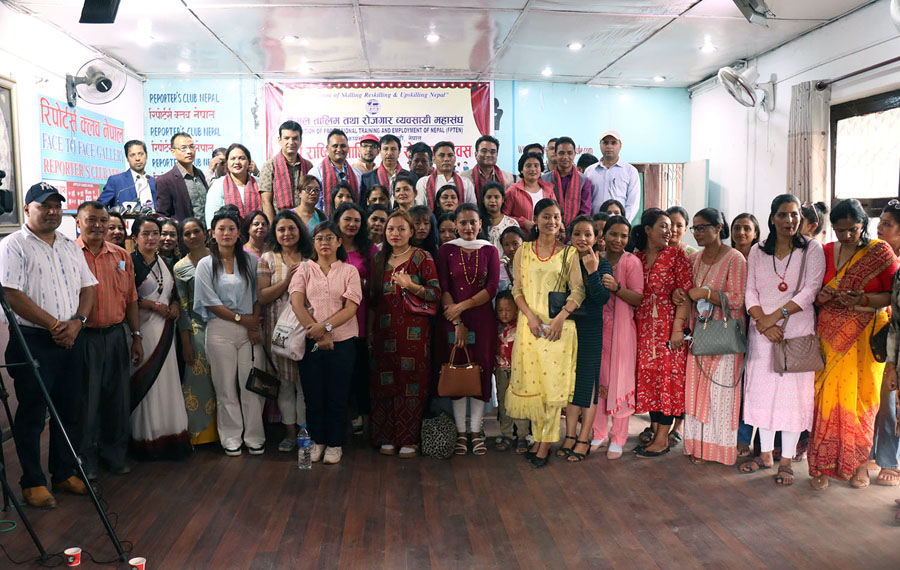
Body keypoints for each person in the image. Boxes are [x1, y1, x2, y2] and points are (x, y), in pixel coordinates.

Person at [0, 183, 97, 508]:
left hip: (71, 337)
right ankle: (33, 482)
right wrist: (55, 325)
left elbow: (88, 287)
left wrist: (77, 322)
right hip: (33, 341)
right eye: (45, 206)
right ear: (28, 209)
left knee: (70, 410)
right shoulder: (13, 245)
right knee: (31, 414)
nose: (53, 211)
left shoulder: (70, 245)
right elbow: (11, 294)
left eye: (57, 206)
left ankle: (63, 473)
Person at [808, 199, 897, 489]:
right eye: (840, 230)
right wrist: (822, 297)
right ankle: (822, 465)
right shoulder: (826, 251)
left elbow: (892, 296)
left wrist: (864, 299)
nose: (846, 235)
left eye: (853, 229)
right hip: (830, 335)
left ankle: (859, 465)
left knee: (862, 401)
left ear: (863, 225)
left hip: (865, 337)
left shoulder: (879, 252)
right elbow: (813, 289)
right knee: (826, 398)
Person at [739, 194, 825, 485]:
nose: (790, 220)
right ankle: (764, 454)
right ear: (772, 217)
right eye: (783, 214)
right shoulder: (758, 250)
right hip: (763, 334)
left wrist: (772, 318)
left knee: (792, 398)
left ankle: (786, 460)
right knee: (762, 393)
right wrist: (762, 323)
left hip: (796, 332)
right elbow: (750, 290)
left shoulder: (812, 249)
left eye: (794, 214)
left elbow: (810, 290)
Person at [507, 199, 585, 468]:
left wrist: (561, 318)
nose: (552, 222)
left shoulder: (569, 253)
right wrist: (529, 317)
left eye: (556, 217)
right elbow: (517, 290)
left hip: (557, 330)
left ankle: (545, 444)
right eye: (546, 216)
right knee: (535, 388)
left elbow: (578, 291)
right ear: (536, 219)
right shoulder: (523, 251)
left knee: (552, 390)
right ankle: (539, 438)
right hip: (530, 328)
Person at [75, 202, 142, 480]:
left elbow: (131, 299)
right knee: (86, 403)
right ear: (78, 222)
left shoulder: (121, 254)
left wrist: (136, 336)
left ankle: (114, 454)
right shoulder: (69, 254)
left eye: (103, 220)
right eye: (91, 219)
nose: (98, 225)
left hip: (116, 335)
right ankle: (86, 459)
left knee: (118, 399)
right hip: (84, 338)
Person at [678, 208, 747, 466]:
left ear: (719, 228)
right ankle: (696, 446)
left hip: (724, 338)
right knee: (696, 392)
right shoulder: (694, 259)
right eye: (694, 228)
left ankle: (718, 450)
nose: (696, 233)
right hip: (699, 334)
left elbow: (738, 299)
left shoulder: (735, 258)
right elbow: (687, 293)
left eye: (702, 227)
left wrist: (706, 294)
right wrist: (680, 294)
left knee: (720, 395)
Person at [289, 222, 363, 464]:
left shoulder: (349, 271)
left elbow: (350, 308)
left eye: (330, 238)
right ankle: (317, 441)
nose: (324, 243)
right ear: (313, 242)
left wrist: (326, 327)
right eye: (319, 238)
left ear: (339, 242)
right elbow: (297, 304)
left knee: (337, 395)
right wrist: (319, 335)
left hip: (343, 341)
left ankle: (334, 443)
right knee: (313, 395)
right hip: (311, 342)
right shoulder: (304, 269)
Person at [369, 210, 440, 457]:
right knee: (384, 384)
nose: (395, 233)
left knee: (412, 384)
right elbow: (372, 301)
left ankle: (409, 439)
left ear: (411, 231)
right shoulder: (379, 258)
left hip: (414, 333)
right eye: (390, 229)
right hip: (383, 332)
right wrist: (369, 332)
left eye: (401, 229)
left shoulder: (422, 257)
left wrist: (411, 285)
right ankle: (388, 437)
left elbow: (435, 294)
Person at [194, 209, 265, 456]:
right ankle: (231, 437)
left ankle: (255, 436)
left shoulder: (251, 261)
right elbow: (210, 302)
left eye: (231, 229)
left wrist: (253, 325)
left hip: (250, 330)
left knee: (251, 385)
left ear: (238, 233)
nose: (226, 233)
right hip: (220, 330)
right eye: (221, 229)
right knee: (225, 388)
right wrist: (241, 319)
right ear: (212, 233)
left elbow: (259, 295)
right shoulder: (205, 264)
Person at [436, 204, 500, 457]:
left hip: (482, 320)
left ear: (480, 224)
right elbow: (443, 287)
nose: (468, 227)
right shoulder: (446, 250)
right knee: (457, 371)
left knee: (480, 371)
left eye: (473, 222)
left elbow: (492, 287)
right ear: (455, 225)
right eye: (463, 223)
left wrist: (461, 307)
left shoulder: (489, 250)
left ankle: (475, 430)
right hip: (452, 319)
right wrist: (457, 322)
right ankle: (461, 432)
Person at [128, 216, 191, 460]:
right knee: (146, 382)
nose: (152, 238)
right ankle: (146, 439)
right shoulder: (129, 262)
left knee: (167, 382)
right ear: (135, 237)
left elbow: (172, 294)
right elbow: (127, 297)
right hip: (141, 331)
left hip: (165, 331)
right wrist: (153, 305)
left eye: (155, 233)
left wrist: (173, 305)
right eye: (146, 234)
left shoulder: (164, 262)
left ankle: (171, 435)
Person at [632, 208, 693, 458]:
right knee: (650, 382)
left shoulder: (677, 255)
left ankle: (662, 439)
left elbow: (685, 293)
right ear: (648, 230)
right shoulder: (636, 257)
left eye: (671, 226)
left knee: (668, 383)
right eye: (663, 226)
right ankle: (656, 431)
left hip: (669, 330)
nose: (669, 231)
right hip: (644, 329)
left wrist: (678, 328)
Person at [558, 216, 612, 462]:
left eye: (587, 234)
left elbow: (601, 299)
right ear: (570, 236)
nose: (582, 239)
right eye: (577, 234)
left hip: (590, 328)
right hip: (567, 327)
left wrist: (592, 270)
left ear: (596, 238)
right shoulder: (564, 259)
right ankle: (569, 435)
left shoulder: (603, 263)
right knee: (570, 383)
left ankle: (584, 437)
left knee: (588, 384)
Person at [257, 210, 311, 452]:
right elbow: (262, 296)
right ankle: (290, 434)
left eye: (291, 228)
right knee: (286, 385)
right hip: (278, 332)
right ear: (275, 233)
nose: (287, 233)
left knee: (304, 386)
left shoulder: (311, 257)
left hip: (306, 329)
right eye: (281, 229)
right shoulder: (267, 259)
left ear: (300, 230)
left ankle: (305, 432)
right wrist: (288, 280)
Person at [594, 215, 642, 458]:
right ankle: (598, 432)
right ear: (603, 235)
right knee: (599, 383)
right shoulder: (595, 259)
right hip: (597, 329)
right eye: (614, 234)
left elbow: (639, 298)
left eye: (624, 235)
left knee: (619, 381)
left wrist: (617, 288)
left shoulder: (631, 262)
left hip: (622, 333)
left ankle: (619, 437)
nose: (618, 239)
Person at [332, 203, 376, 436]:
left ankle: (366, 424)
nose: (352, 224)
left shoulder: (369, 250)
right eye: (347, 219)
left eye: (357, 220)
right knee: (338, 377)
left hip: (360, 321)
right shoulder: (329, 247)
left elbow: (376, 288)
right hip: (332, 322)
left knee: (361, 376)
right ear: (337, 221)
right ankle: (340, 425)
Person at [173, 218, 218, 445]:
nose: (192, 237)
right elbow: (182, 307)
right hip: (197, 329)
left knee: (225, 381)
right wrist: (186, 342)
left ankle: (227, 433)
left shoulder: (220, 259)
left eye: (196, 231)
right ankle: (200, 434)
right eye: (187, 233)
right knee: (199, 380)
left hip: (225, 325)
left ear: (205, 233)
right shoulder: (180, 268)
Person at [878, 201, 900, 486]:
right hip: (892, 344)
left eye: (888, 224)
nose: (880, 228)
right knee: (888, 405)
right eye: (880, 222)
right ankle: (885, 459)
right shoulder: (890, 264)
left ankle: (891, 462)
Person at [493, 291, 528, 452]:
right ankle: (506, 434)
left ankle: (522, 436)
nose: (504, 314)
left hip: (519, 370)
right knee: (503, 402)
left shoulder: (522, 325)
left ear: (516, 309)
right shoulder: (494, 326)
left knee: (520, 403)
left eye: (508, 310)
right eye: (500, 310)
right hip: (501, 370)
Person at [259, 120, 314, 223]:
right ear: (279, 140)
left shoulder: (308, 166)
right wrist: (273, 228)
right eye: (287, 138)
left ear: (300, 140)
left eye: (295, 138)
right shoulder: (270, 166)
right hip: (280, 223)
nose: (291, 142)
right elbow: (266, 201)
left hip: (304, 223)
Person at [586, 131, 641, 221]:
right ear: (600, 145)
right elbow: (586, 201)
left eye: (613, 143)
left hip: (619, 224)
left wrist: (623, 222)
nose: (609, 146)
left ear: (620, 145)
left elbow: (633, 203)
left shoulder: (630, 171)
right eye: (605, 143)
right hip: (596, 223)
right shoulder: (590, 171)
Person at [205, 143, 261, 227]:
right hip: (227, 233)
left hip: (257, 233)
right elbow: (211, 219)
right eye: (233, 159)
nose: (237, 162)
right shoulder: (218, 185)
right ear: (227, 163)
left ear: (249, 162)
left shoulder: (259, 184)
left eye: (241, 158)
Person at [156, 132, 209, 221]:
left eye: (191, 147)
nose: (189, 151)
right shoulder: (165, 180)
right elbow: (162, 215)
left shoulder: (199, 174)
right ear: (173, 152)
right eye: (183, 148)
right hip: (183, 229)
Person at [541, 137, 592, 227]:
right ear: (555, 154)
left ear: (575, 154)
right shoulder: (544, 179)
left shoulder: (583, 180)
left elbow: (585, 210)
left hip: (575, 230)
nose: (565, 157)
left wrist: (574, 229)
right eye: (561, 153)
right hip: (549, 227)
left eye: (569, 153)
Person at [311, 129, 362, 216]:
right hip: (324, 221)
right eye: (335, 146)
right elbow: (313, 205)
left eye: (343, 146)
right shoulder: (316, 173)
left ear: (348, 148)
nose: (339, 149)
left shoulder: (357, 174)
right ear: (327, 148)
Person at [502, 152, 554, 233]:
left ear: (541, 169)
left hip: (546, 236)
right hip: (521, 237)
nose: (533, 169)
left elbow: (555, 213)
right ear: (521, 170)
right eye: (528, 166)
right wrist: (523, 222)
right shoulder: (512, 191)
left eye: (536, 166)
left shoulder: (548, 190)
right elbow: (504, 217)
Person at [98, 140, 157, 209]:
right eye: (132, 155)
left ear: (146, 156)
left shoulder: (155, 182)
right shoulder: (116, 181)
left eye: (141, 154)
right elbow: (99, 207)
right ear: (127, 159)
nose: (137, 158)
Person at [416, 141, 476, 208]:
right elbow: (420, 210)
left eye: (450, 155)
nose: (446, 159)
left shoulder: (466, 183)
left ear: (455, 159)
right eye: (442, 155)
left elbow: (471, 209)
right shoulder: (423, 182)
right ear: (434, 159)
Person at [460, 135, 514, 201]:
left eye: (492, 152)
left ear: (497, 155)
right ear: (476, 154)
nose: (488, 155)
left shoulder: (508, 179)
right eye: (484, 151)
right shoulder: (463, 178)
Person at [362, 135, 409, 203]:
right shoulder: (367, 178)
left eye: (393, 149)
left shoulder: (410, 177)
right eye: (385, 149)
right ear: (379, 151)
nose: (389, 153)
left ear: (399, 152)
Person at [480, 181, 519, 251]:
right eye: (489, 197)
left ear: (503, 199)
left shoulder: (511, 223)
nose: (492, 200)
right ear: (483, 199)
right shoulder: (478, 223)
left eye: (496, 197)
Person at [498, 226, 525, 292]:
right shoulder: (499, 270)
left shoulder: (534, 267)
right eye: (506, 245)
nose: (511, 249)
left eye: (515, 244)